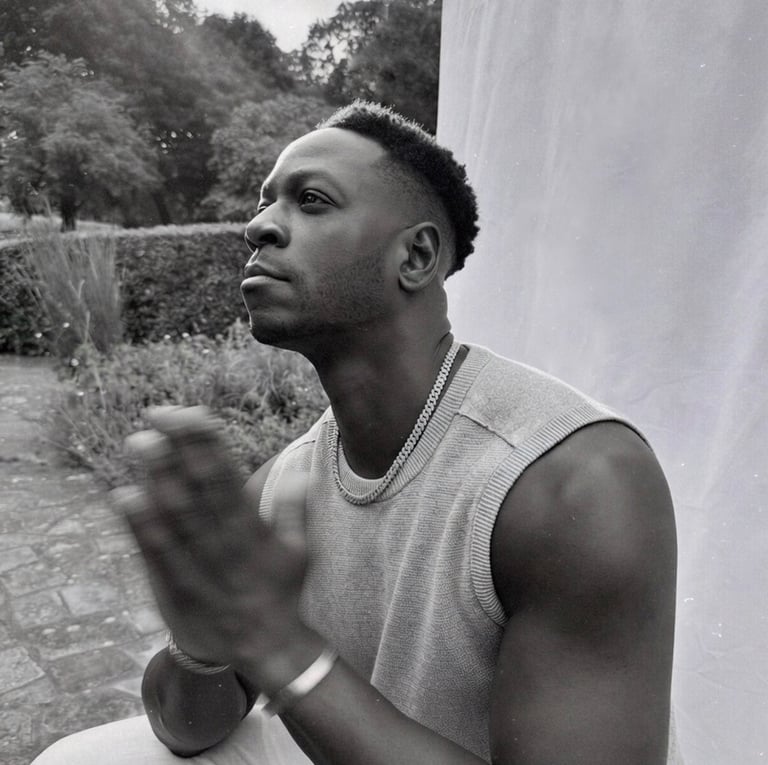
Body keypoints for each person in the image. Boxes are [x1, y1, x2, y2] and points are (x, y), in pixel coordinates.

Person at [33, 101, 679, 764]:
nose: (258, 225)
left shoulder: (574, 482)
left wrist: (275, 642)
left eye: (310, 200)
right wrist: (201, 646)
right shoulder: (283, 487)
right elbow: (185, 730)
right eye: (264, 201)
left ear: (416, 256)